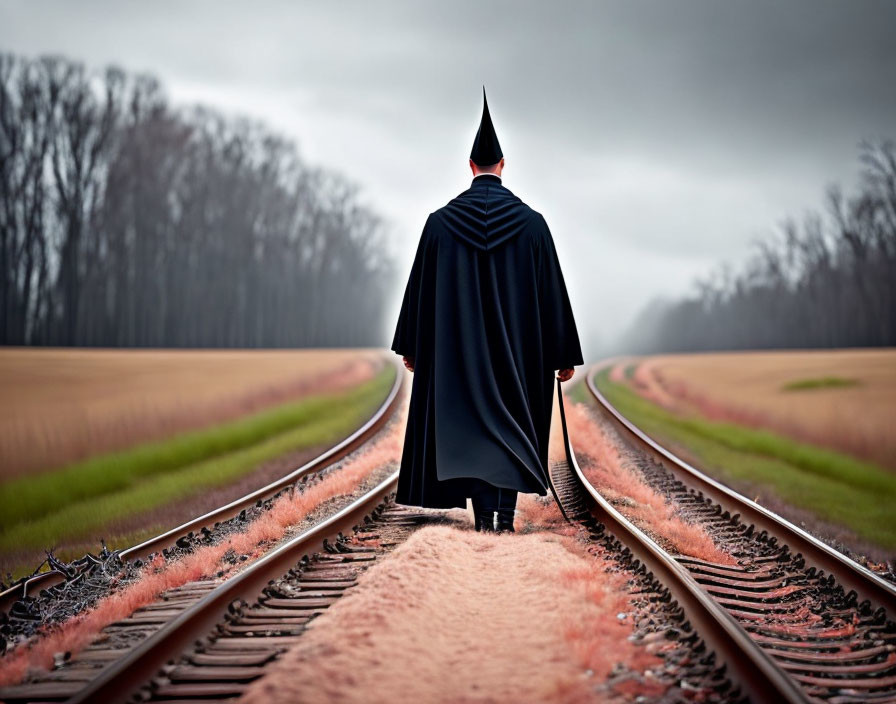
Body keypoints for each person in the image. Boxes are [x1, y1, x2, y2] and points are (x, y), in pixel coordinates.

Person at [391, 88, 584, 533]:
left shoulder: (439, 225)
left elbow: (420, 290)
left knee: (471, 427)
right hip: (519, 357)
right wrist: (562, 354)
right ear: (502, 167)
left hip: (458, 359)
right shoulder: (533, 225)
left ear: (471, 168)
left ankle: (483, 522)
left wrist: (414, 349)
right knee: (513, 425)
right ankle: (505, 517)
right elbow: (551, 291)